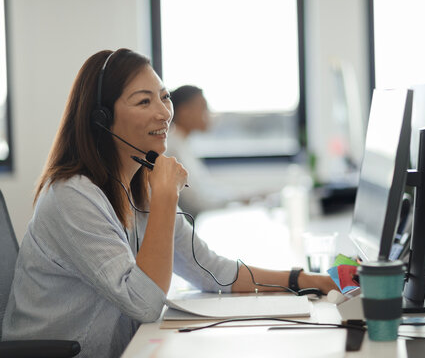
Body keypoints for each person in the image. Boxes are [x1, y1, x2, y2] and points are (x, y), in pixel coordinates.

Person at [1, 49, 336, 358]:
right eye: (144, 102)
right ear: (101, 118)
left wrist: (299, 279)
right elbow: (144, 303)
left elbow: (212, 271)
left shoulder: (139, 185)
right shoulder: (72, 196)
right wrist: (165, 198)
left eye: (164, 98)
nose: (164, 113)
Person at [166, 85, 261, 216]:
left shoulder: (183, 143)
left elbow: (206, 187)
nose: (208, 114)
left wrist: (240, 196)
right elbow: (198, 202)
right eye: (203, 108)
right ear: (184, 112)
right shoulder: (172, 149)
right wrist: (236, 201)